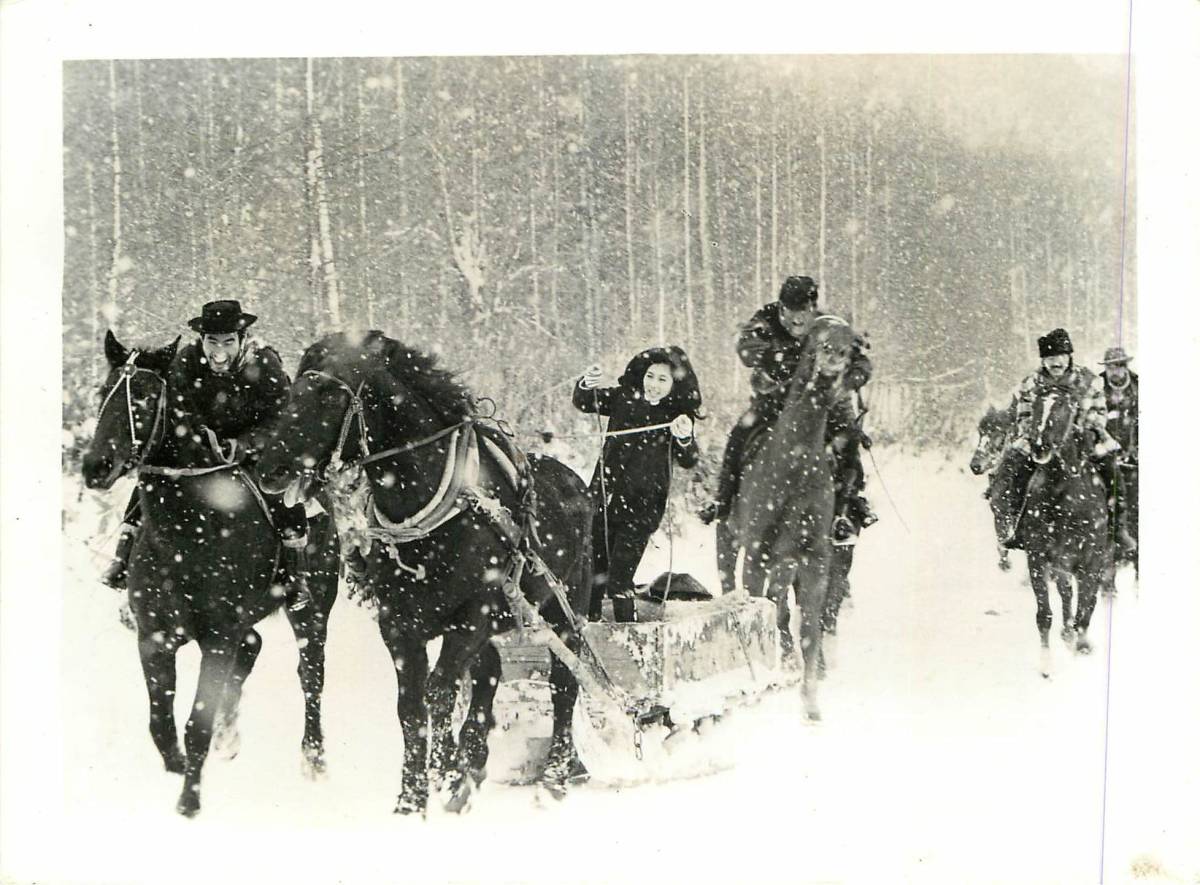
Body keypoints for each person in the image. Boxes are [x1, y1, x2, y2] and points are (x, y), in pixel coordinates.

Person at [101, 299, 313, 609]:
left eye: (228, 341)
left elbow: (279, 418)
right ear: (201, 340)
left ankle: (295, 575)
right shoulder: (185, 362)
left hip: (253, 451)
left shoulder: (265, 364)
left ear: (241, 340)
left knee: (279, 493)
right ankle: (124, 557)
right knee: (151, 481)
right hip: (200, 451)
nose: (219, 351)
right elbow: (175, 409)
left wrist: (241, 445)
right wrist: (199, 436)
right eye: (212, 341)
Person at [699, 275, 875, 540]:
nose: (796, 322)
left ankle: (849, 505)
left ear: (813, 310)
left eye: (803, 314)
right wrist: (774, 356)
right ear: (780, 306)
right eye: (789, 313)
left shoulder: (830, 326)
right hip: (775, 400)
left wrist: (853, 377)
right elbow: (745, 348)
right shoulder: (764, 320)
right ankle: (724, 499)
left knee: (848, 437)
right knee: (740, 434)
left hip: (821, 403)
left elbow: (861, 360)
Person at [573, 346, 702, 623]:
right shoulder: (623, 398)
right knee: (594, 574)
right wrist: (587, 382)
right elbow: (585, 401)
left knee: (619, 579)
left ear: (674, 385)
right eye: (650, 376)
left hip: (642, 507)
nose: (653, 385)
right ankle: (590, 630)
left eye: (662, 380)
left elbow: (689, 459)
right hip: (604, 499)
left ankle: (627, 636)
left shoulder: (677, 415)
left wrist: (684, 437)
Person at [990, 327, 1123, 549]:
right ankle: (1018, 522)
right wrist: (1034, 432)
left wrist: (1083, 429)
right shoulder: (1031, 383)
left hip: (1080, 439)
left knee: (1112, 469)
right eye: (1049, 358)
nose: (1055, 363)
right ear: (1043, 360)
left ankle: (1117, 526)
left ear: (1069, 356)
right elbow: (1023, 414)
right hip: (1039, 439)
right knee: (1014, 470)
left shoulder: (1089, 381)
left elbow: (1099, 412)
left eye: (1059, 357)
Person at [1097, 346, 1138, 552]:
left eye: (1120, 366)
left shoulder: (1139, 386)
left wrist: (1135, 447)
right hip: (1105, 451)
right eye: (1111, 367)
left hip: (1134, 453)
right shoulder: (1097, 386)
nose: (1115, 371)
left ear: (1126, 367)